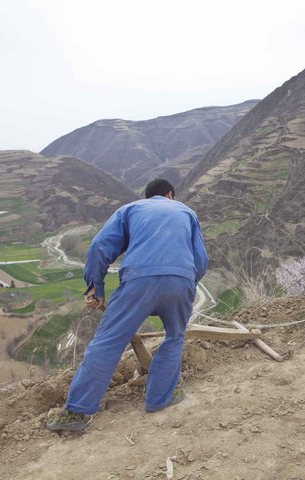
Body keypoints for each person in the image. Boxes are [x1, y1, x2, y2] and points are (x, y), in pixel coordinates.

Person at [45, 178, 208, 431]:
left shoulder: (130, 210)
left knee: (108, 341)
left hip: (137, 282)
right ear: (170, 195)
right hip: (181, 279)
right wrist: (186, 284)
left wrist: (94, 286)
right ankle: (159, 399)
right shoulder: (187, 212)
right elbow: (201, 259)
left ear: (148, 197)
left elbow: (100, 247)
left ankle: (75, 414)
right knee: (175, 336)